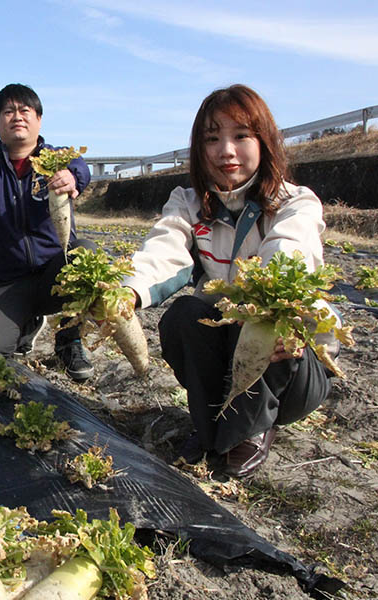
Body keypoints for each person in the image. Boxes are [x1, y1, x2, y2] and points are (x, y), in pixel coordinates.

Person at [122, 84, 337, 478]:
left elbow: (290, 248)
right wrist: (128, 292)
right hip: (227, 357)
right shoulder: (188, 203)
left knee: (261, 317)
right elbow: (163, 248)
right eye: (212, 139)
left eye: (241, 136)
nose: (226, 151)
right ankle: (211, 429)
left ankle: (250, 431)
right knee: (184, 314)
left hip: (292, 366)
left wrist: (265, 299)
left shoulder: (295, 201)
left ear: (264, 141)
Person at [0, 83, 96, 382]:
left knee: (86, 253)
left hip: (55, 275)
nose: (17, 116)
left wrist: (72, 177)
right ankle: (24, 326)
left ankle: (69, 338)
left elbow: (82, 168)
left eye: (24, 110)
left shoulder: (58, 159)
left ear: (38, 119)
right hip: (6, 284)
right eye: (8, 111)